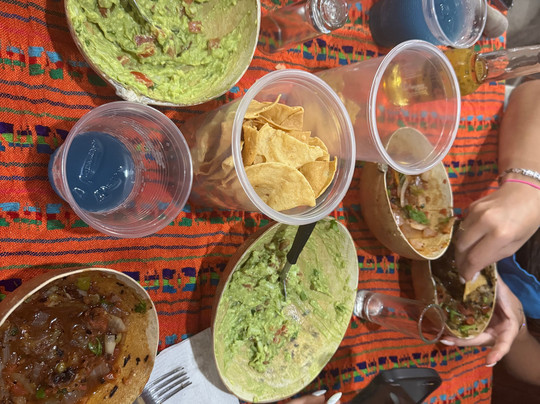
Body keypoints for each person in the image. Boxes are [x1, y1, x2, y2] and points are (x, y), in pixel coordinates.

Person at [444, 79, 540, 382]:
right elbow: (534, 87)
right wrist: (528, 185)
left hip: (455, 285)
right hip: (471, 161)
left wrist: (518, 331)